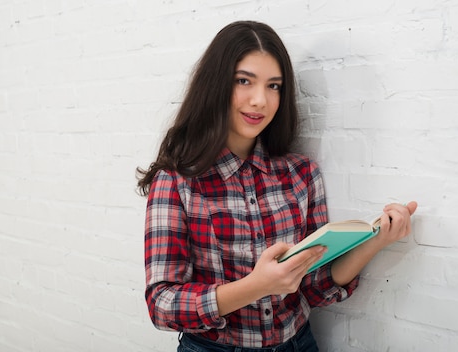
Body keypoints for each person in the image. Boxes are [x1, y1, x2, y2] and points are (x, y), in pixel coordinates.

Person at [136, 20, 417, 351]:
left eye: (274, 86)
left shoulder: (301, 173)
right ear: (215, 85)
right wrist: (255, 286)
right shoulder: (176, 181)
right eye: (244, 81)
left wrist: (378, 240)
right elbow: (162, 304)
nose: (260, 100)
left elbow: (315, 288)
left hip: (298, 344)